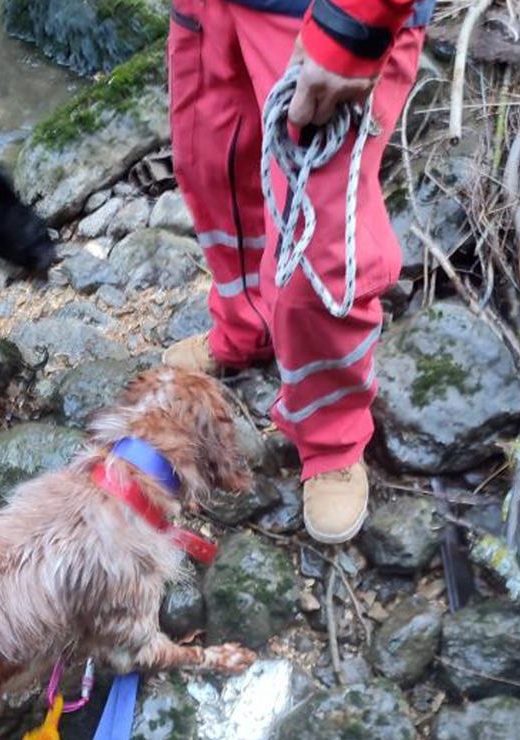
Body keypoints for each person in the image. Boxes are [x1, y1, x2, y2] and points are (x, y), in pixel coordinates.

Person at [163, 0, 436, 543]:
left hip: (324, 16)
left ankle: (332, 436)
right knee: (213, 168)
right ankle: (247, 327)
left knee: (321, 238)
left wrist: (351, 26)